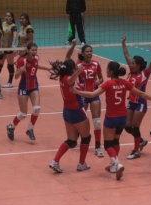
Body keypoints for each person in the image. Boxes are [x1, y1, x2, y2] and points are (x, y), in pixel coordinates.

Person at [71, 61, 151, 180]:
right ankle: (113, 166)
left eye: (107, 70)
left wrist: (77, 92)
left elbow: (92, 94)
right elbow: (141, 93)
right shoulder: (125, 82)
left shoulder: (108, 84)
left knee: (108, 145)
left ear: (111, 72)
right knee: (115, 141)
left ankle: (117, 163)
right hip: (122, 118)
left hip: (111, 118)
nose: (106, 71)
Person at [49, 43, 91, 173]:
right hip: (77, 110)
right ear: (72, 69)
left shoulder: (62, 77)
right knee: (86, 137)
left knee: (72, 141)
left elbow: (67, 61)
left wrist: (73, 46)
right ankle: (81, 164)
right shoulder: (68, 78)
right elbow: (70, 81)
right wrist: (78, 73)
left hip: (67, 112)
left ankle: (55, 161)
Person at [121, 34, 151, 159]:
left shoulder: (144, 74)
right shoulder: (131, 72)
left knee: (135, 127)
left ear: (139, 65)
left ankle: (136, 151)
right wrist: (123, 43)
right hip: (131, 102)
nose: (130, 64)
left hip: (141, 103)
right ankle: (141, 141)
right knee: (127, 127)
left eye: (133, 63)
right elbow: (126, 55)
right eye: (131, 63)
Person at [6, 42, 51, 141]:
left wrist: (47, 68)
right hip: (23, 88)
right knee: (23, 114)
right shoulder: (22, 60)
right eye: (32, 50)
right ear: (28, 50)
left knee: (37, 108)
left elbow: (35, 66)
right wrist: (20, 70)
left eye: (36, 50)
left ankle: (30, 129)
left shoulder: (36, 58)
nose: (34, 52)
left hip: (34, 86)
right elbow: (16, 77)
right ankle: (11, 127)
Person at [77, 44, 104, 157]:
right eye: (87, 51)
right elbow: (75, 79)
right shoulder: (78, 65)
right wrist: (80, 85)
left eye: (91, 51)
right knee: (81, 120)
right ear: (82, 53)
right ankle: (77, 138)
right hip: (83, 95)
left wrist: (98, 82)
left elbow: (101, 78)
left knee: (97, 121)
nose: (89, 53)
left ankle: (98, 146)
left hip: (94, 94)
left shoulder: (96, 64)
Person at [0, 12, 17, 88]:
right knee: (0, 64)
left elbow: (15, 36)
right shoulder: (2, 24)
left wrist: (13, 44)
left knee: (10, 65)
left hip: (9, 48)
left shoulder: (13, 26)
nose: (6, 17)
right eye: (6, 16)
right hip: (3, 47)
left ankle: (10, 82)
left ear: (12, 18)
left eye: (9, 16)